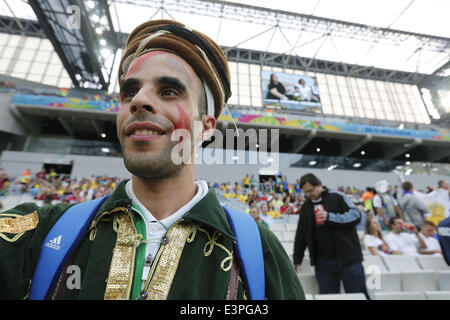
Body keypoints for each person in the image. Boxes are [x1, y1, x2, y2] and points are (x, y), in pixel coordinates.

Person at [0, 20, 303, 300]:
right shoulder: (41, 231)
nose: (138, 101)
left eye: (169, 91)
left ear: (207, 128)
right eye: (130, 91)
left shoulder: (258, 253)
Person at [293, 173, 369, 298]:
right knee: (328, 297)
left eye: (310, 191)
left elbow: (356, 215)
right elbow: (301, 234)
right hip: (323, 263)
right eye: (305, 192)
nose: (308, 195)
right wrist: (297, 258)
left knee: (358, 295)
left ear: (319, 185)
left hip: (349, 258)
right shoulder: (306, 207)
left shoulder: (337, 196)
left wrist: (330, 217)